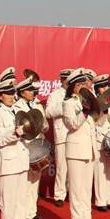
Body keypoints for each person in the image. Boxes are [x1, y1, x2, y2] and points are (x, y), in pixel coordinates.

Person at [0, 79, 32, 219]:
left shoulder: (18, 111)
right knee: (9, 200)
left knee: (21, 199)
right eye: (7, 94)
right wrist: (14, 133)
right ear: (0, 96)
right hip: (8, 163)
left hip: (21, 160)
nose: (11, 96)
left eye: (12, 93)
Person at [62, 68, 99, 219]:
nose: (83, 87)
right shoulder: (68, 103)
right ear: (73, 87)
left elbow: (95, 122)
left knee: (86, 188)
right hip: (75, 150)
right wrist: (84, 111)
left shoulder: (88, 100)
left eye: (84, 83)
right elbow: (72, 125)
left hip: (89, 149)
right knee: (76, 188)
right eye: (79, 84)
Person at [15, 75, 48, 219]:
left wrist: (42, 126)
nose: (32, 93)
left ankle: (32, 211)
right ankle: (23, 214)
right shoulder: (17, 107)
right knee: (26, 181)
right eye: (29, 90)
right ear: (22, 92)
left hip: (38, 144)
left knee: (36, 179)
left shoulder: (37, 105)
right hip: (25, 144)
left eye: (33, 90)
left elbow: (46, 125)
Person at [45, 68, 73, 207]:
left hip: (75, 134)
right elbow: (48, 112)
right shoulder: (55, 94)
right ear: (61, 80)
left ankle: (71, 192)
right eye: (65, 80)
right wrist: (64, 107)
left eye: (70, 80)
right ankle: (59, 195)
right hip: (62, 134)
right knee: (62, 167)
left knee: (73, 167)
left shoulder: (76, 94)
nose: (68, 83)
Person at [93, 73, 110, 212]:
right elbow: (94, 122)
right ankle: (100, 200)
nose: (104, 88)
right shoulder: (94, 102)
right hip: (99, 139)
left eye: (106, 86)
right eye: (102, 87)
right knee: (100, 171)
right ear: (97, 89)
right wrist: (103, 111)